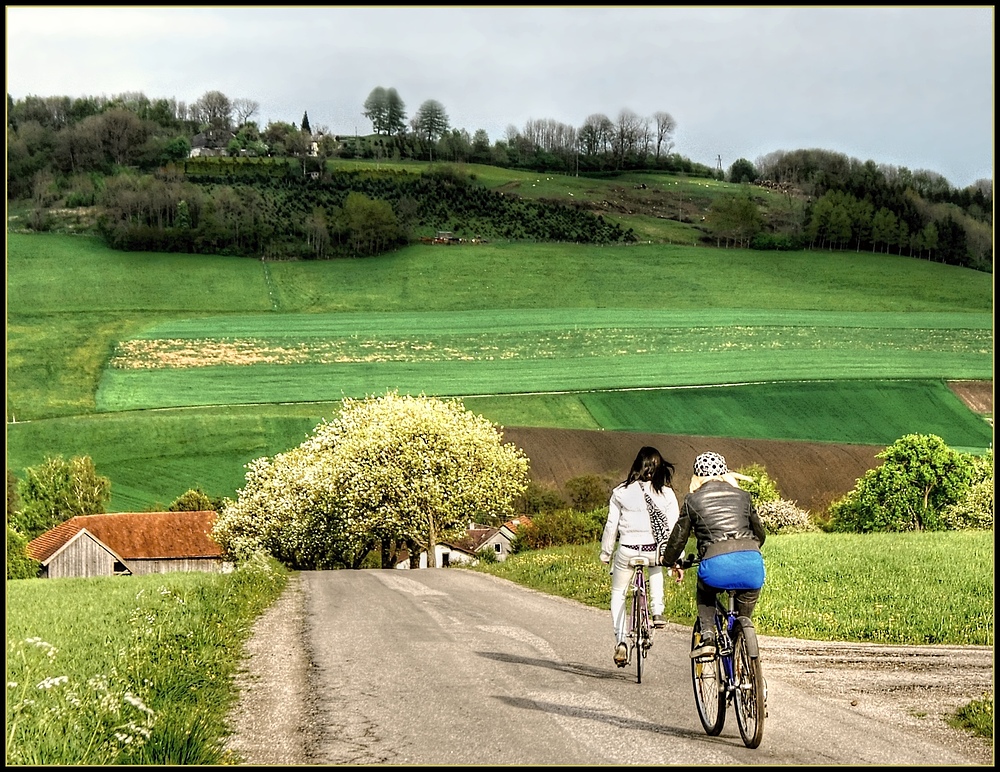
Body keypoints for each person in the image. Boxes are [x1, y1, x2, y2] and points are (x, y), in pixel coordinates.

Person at [658, 451, 766, 659]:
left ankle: (707, 636)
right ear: (724, 472)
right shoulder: (743, 496)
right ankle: (742, 637)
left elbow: (679, 537)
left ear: (697, 475)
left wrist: (669, 560)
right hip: (751, 563)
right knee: (746, 605)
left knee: (705, 591)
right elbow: (760, 533)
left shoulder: (692, 500)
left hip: (716, 565)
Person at [599, 446, 681, 667]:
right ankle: (657, 611)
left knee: (618, 593)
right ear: (660, 468)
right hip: (653, 551)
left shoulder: (620, 492)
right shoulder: (667, 494)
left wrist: (606, 553)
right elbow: (675, 530)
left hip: (626, 549)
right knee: (656, 564)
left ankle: (621, 641)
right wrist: (677, 559)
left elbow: (611, 526)